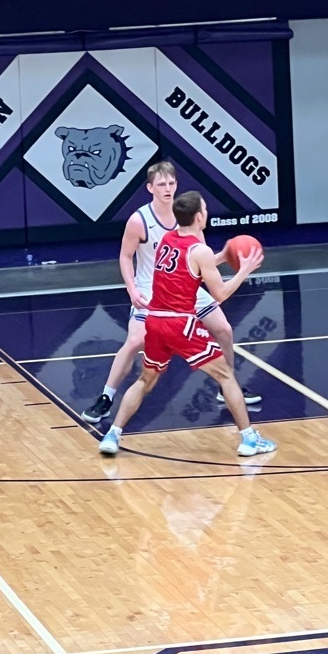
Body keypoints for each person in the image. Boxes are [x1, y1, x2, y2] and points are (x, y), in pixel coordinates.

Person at [98, 191, 276, 457]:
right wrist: (244, 270)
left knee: (145, 379)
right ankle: (249, 439)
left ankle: (112, 434)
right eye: (205, 208)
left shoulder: (167, 240)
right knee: (226, 375)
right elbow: (221, 294)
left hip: (155, 322)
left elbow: (188, 268)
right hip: (180, 324)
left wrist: (224, 256)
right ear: (199, 216)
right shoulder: (200, 250)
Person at [82, 161, 261, 422]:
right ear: (150, 187)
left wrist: (224, 255)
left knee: (224, 329)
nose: (167, 188)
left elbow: (198, 262)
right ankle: (106, 397)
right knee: (134, 341)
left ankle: (227, 386)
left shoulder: (187, 217)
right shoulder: (139, 220)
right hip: (151, 289)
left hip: (186, 287)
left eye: (171, 183)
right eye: (162, 184)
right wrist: (131, 289)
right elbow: (124, 256)